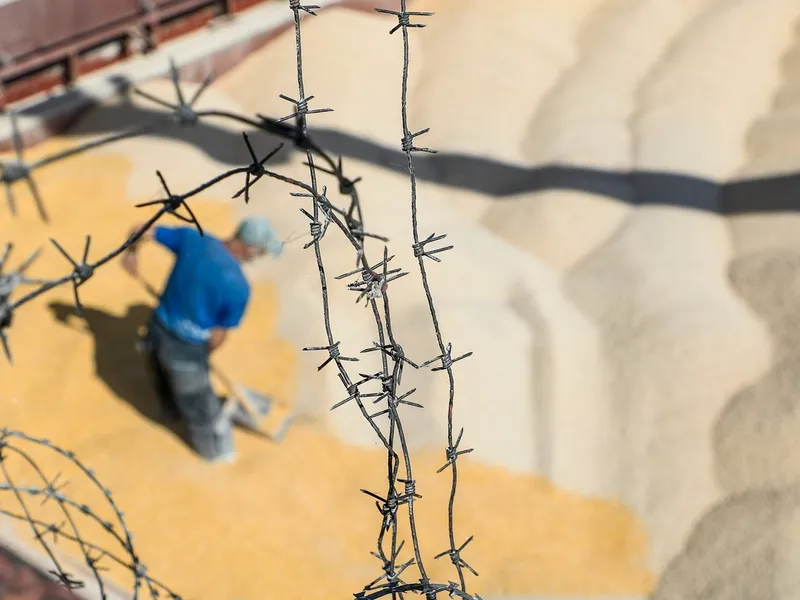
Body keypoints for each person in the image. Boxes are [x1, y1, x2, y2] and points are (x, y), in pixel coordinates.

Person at [121, 216, 283, 463]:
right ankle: (217, 455)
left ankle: (170, 410)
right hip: (187, 350)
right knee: (202, 411)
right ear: (250, 249)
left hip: (156, 330)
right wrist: (201, 357)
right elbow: (218, 336)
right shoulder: (238, 286)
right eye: (261, 252)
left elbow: (140, 227)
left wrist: (131, 253)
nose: (260, 256)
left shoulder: (193, 238)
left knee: (162, 377)